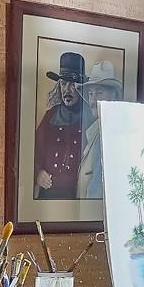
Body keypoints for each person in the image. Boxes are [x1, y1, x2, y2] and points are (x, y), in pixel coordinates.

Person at [35, 51, 95, 200]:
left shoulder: (90, 118)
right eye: (63, 84)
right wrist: (38, 173)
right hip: (48, 196)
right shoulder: (50, 116)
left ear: (81, 87)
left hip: (78, 197)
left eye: (72, 84)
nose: (67, 90)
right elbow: (33, 151)